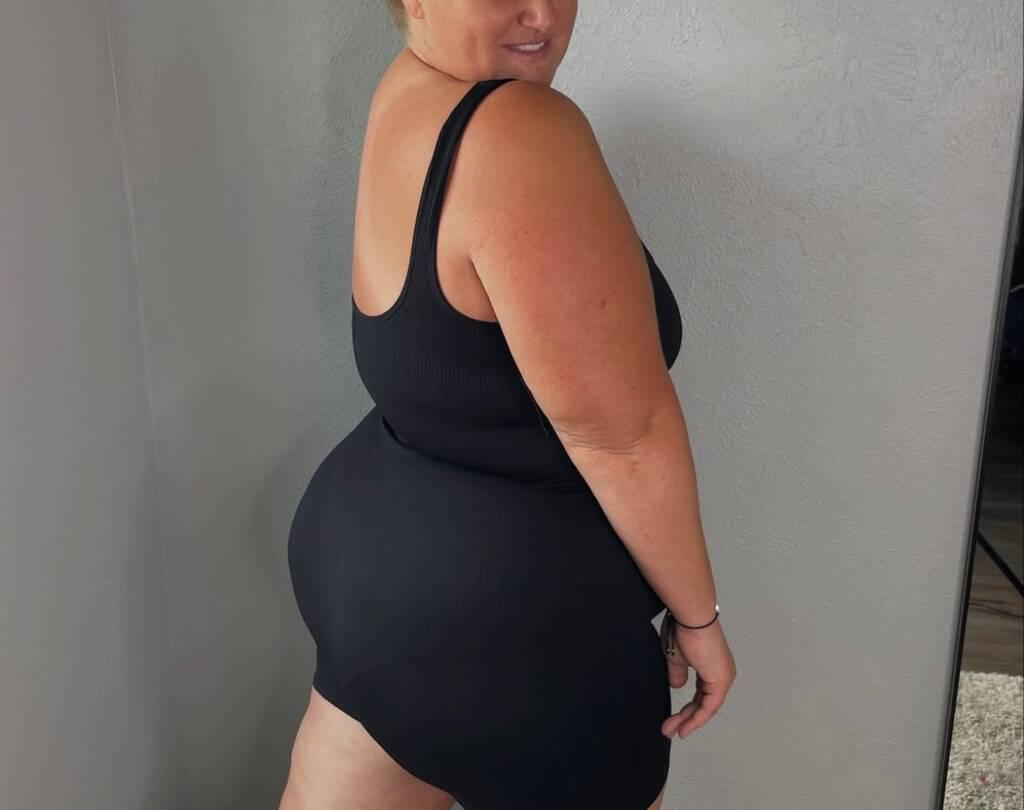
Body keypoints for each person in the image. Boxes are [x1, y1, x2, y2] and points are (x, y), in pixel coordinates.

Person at [280, 2, 737, 808]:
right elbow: (623, 438)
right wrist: (699, 620)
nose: (542, 13)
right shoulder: (521, 128)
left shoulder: (411, 86)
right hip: (510, 642)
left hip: (368, 587)